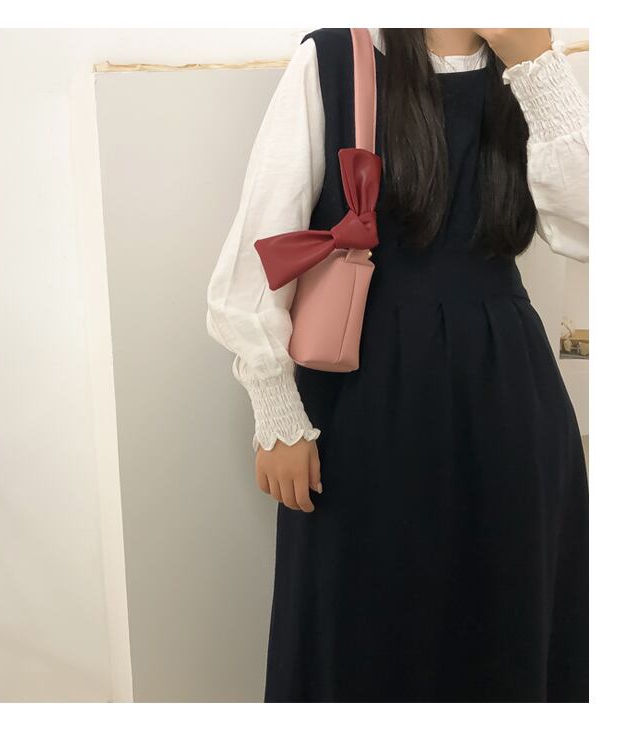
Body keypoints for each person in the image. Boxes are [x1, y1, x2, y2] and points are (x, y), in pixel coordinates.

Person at [205, 27, 589, 702]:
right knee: (362, 630)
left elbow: (591, 231)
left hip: (509, 404)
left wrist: (535, 65)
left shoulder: (530, 67)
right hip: (364, 401)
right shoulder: (337, 59)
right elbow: (260, 251)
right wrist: (276, 409)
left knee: (509, 623)